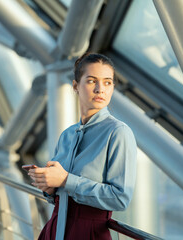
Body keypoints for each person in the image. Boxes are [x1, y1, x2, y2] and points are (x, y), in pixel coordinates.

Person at [27, 52, 137, 240]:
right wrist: (50, 187)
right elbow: (61, 193)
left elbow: (120, 198)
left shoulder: (118, 132)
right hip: (54, 230)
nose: (100, 89)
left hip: (89, 234)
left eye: (108, 82)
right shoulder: (67, 135)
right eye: (92, 81)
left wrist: (65, 180)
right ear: (76, 86)